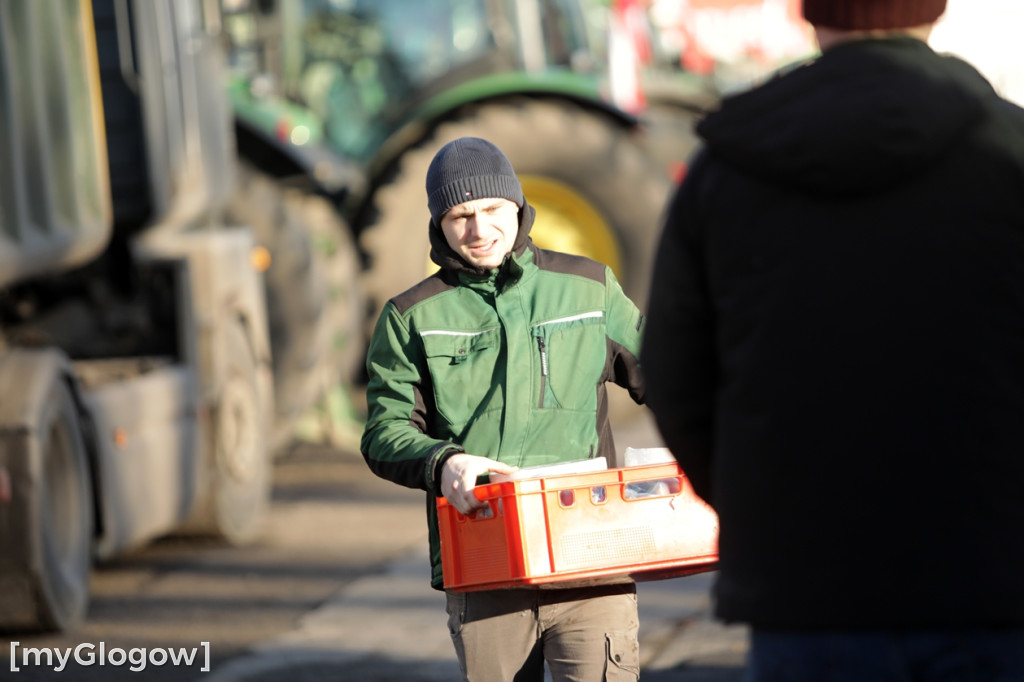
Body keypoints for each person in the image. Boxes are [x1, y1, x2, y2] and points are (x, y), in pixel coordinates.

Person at [640, 0, 1024, 679]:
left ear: (809, 12)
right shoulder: (1009, 149)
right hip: (991, 581)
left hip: (802, 591)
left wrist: (761, 503)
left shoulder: (726, 168)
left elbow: (675, 378)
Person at [361, 136, 646, 681]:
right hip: (485, 564)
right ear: (438, 225)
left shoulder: (589, 288)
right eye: (460, 216)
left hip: (589, 558)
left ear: (518, 206)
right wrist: (443, 463)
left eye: (492, 210)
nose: (479, 229)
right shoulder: (409, 317)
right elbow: (384, 432)